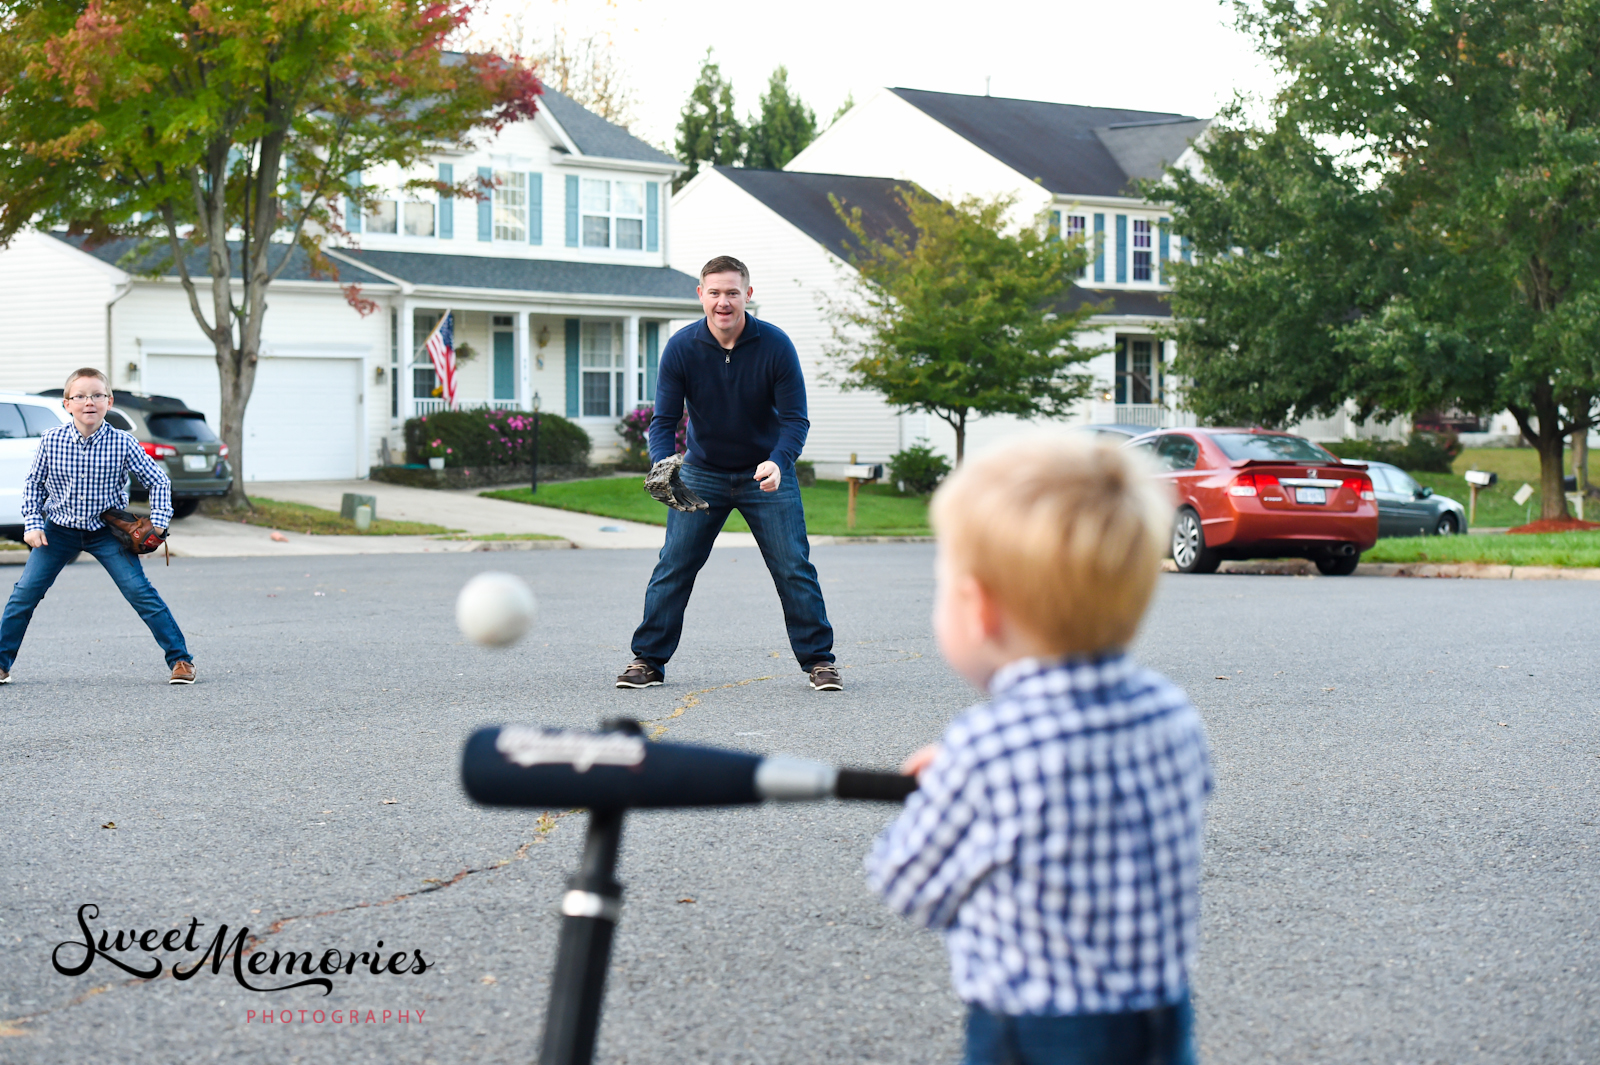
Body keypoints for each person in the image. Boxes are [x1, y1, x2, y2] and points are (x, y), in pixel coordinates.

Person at [865, 434, 1212, 1065]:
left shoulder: (987, 749)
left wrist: (941, 793)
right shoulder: (1172, 714)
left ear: (981, 612)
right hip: (1159, 1014)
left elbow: (909, 885)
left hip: (1036, 1027)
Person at [617, 255, 840, 691]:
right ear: (701, 295)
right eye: (714, 292)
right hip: (702, 473)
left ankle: (819, 662)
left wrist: (779, 460)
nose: (723, 302)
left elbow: (796, 420)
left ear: (748, 296)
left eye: (732, 292)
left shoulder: (775, 346)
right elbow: (663, 421)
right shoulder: (682, 347)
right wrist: (664, 465)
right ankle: (647, 661)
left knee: (793, 566)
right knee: (674, 565)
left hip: (765, 474)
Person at [0, 368, 195, 684]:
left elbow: (158, 480)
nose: (88, 402)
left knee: (139, 592)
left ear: (109, 401)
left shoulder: (123, 444)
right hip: (57, 532)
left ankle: (181, 660)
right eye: (80, 396)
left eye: (96, 395)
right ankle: (1, 664)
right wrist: (33, 523)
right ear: (67, 403)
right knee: (24, 594)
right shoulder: (52, 440)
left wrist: (158, 523)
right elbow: (34, 484)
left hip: (107, 533)